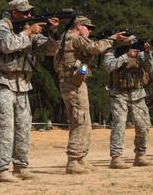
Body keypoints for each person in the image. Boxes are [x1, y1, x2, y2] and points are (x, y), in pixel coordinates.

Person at [0, 0, 61, 182]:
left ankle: (20, 166)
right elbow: (7, 45)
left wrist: (53, 32)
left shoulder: (30, 30)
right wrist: (28, 32)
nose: (28, 16)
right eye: (24, 13)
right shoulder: (1, 26)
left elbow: (50, 50)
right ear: (14, 13)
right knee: (5, 128)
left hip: (23, 84)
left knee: (23, 128)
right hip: (3, 81)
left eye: (30, 13)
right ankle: (2, 170)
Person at [53, 17, 131, 173]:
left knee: (85, 121)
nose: (90, 31)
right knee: (79, 120)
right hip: (72, 83)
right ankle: (73, 160)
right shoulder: (73, 37)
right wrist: (112, 38)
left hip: (77, 82)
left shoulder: (71, 38)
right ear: (79, 26)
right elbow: (95, 48)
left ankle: (80, 158)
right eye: (88, 28)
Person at [104, 39, 153, 168]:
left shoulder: (140, 53)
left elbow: (149, 69)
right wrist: (125, 56)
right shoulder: (113, 51)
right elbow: (108, 67)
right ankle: (116, 158)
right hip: (119, 93)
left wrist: (148, 53)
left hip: (138, 93)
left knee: (143, 125)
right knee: (119, 125)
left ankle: (140, 155)